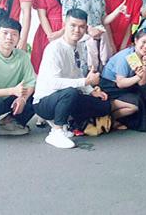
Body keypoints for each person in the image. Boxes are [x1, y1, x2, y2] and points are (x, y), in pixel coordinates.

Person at [33, 9, 112, 149]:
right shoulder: (54, 48)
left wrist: (91, 91)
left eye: (81, 27)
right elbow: (54, 83)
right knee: (71, 92)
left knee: (104, 106)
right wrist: (86, 82)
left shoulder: (79, 46)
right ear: (65, 24)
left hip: (66, 96)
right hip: (44, 102)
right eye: (73, 25)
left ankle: (68, 123)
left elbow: (77, 74)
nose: (77, 30)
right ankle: (57, 131)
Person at [99, 29, 146, 132]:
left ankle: (140, 119)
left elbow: (142, 83)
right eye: (143, 42)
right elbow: (120, 83)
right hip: (110, 86)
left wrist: (145, 65)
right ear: (136, 40)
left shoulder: (139, 56)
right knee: (135, 104)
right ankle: (110, 118)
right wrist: (138, 77)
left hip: (123, 85)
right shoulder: (126, 56)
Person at [61, 0, 117, 66]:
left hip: (98, 41)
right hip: (79, 38)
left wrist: (117, 11)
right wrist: (88, 30)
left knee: (98, 68)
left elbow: (103, 20)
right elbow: (66, 19)